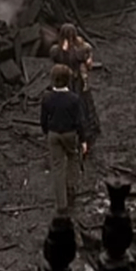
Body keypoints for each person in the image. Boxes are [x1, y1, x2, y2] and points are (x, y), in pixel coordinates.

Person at [40, 63, 83, 215]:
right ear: (68, 80)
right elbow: (79, 121)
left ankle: (61, 204)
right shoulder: (74, 99)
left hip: (54, 134)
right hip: (70, 133)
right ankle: (71, 187)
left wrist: (46, 132)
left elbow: (43, 119)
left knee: (57, 166)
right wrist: (82, 138)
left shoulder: (47, 98)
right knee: (72, 157)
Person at [50, 23, 101, 150]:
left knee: (81, 106)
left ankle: (84, 133)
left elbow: (85, 54)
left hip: (76, 82)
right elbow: (58, 57)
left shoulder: (79, 49)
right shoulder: (58, 50)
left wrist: (88, 60)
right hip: (65, 81)